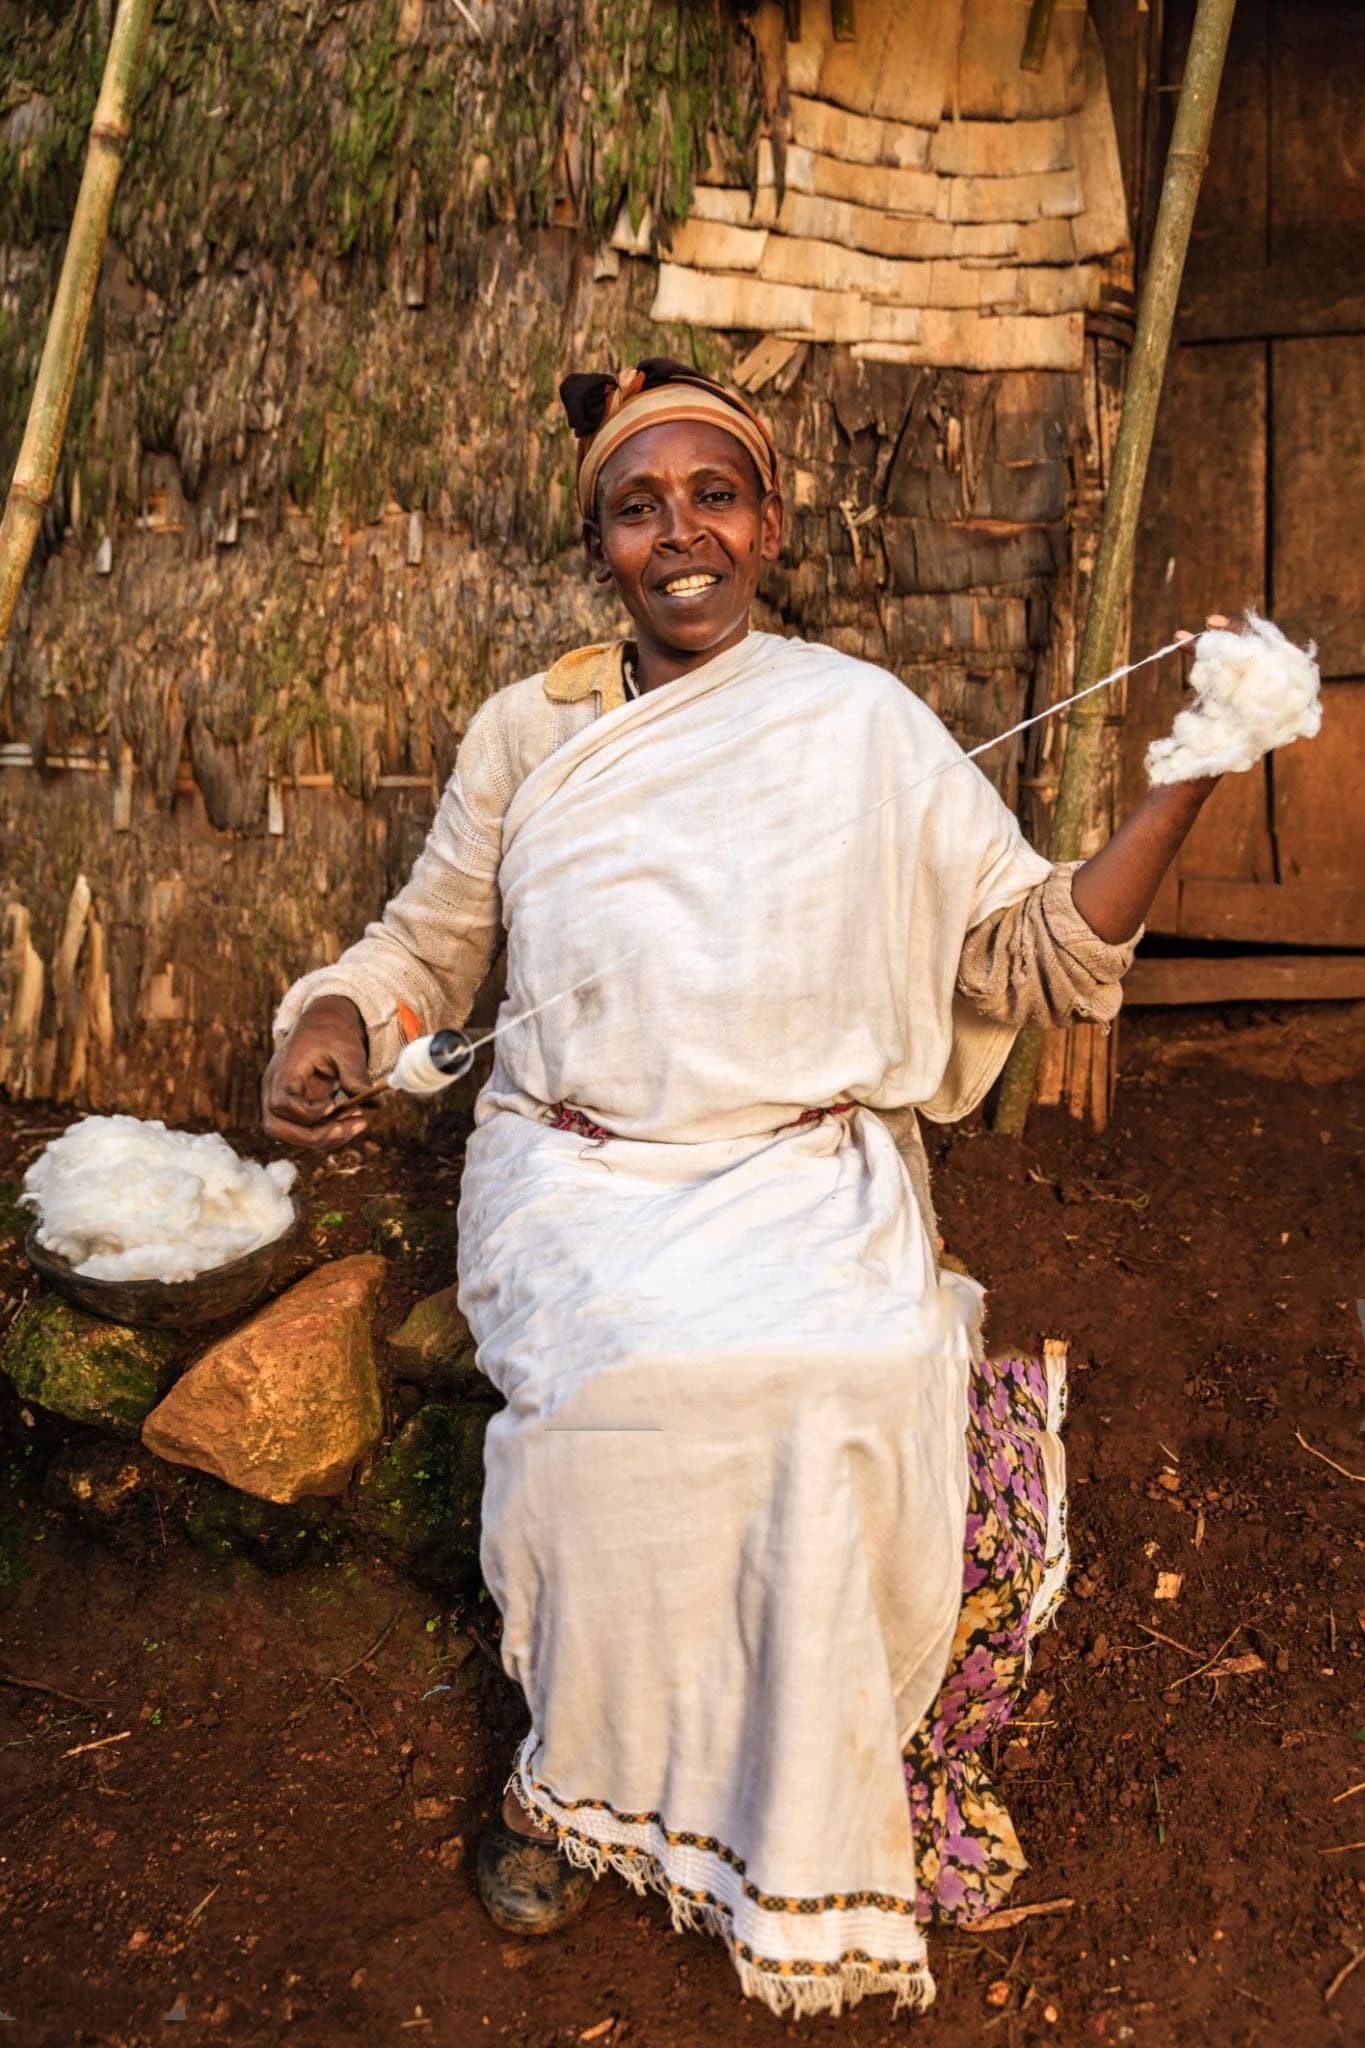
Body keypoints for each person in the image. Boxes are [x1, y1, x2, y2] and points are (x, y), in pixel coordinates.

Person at [264, 360, 1228, 2018]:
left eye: (712, 497)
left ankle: (811, 1769)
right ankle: (573, 1781)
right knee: (623, 1401)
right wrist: (342, 1023)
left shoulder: (855, 722)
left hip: (801, 1171)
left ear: (770, 523)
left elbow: (1032, 951)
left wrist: (1191, 776)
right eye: (639, 509)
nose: (680, 534)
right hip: (580, 1178)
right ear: (602, 546)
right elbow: (426, 947)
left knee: (836, 1382)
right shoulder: (530, 731)